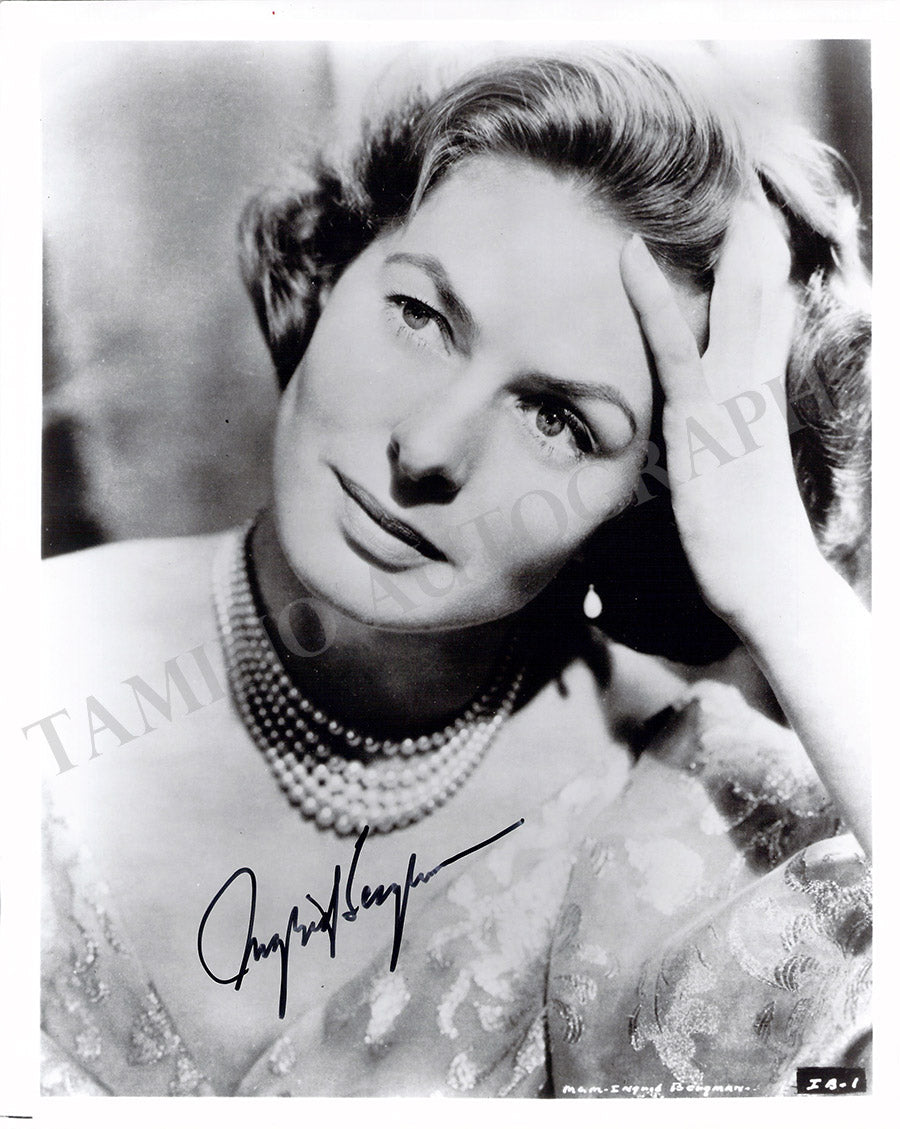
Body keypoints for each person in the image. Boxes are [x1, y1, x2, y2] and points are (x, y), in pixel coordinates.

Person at [38, 47, 871, 1098]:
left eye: (559, 419)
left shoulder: (702, 823)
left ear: (644, 507)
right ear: (336, 269)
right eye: (420, 316)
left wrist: (781, 584)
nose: (429, 448)